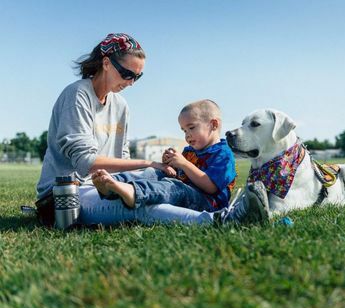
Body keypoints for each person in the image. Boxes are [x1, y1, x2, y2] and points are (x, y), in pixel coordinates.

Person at [35, 33, 170, 225]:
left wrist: (153, 169)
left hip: (109, 185)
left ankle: (213, 209)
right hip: (66, 194)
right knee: (142, 204)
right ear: (106, 63)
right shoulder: (77, 94)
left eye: (137, 77)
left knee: (163, 178)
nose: (131, 83)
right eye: (127, 74)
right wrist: (148, 163)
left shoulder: (121, 105)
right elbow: (86, 163)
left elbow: (122, 158)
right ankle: (211, 219)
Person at [86, 100, 270, 225]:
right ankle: (116, 183)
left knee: (174, 187)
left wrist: (183, 164)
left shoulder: (223, 153)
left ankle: (133, 192)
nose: (187, 135)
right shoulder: (190, 151)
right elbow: (180, 175)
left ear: (213, 125)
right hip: (183, 190)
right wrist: (170, 165)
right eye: (183, 130)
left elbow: (211, 187)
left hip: (207, 201)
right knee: (155, 173)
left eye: (191, 128)